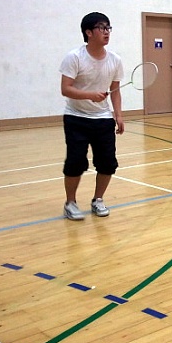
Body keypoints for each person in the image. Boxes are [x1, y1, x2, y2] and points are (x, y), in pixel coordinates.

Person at [59, 12, 125, 220]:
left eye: (108, 28)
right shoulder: (75, 57)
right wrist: (90, 95)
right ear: (88, 32)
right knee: (75, 162)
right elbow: (65, 89)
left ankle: (98, 199)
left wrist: (118, 115)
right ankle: (70, 203)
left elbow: (115, 90)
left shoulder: (115, 60)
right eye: (101, 28)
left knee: (107, 163)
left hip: (103, 118)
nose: (106, 32)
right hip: (76, 117)